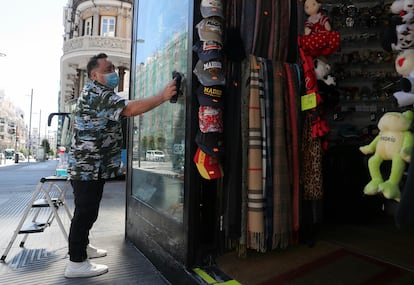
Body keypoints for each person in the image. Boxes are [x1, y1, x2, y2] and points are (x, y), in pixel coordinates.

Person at [64, 53, 177, 278]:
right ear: (95, 75)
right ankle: (76, 263)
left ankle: (83, 248)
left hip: (91, 164)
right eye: (108, 69)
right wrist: (162, 97)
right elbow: (130, 109)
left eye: (113, 68)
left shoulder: (97, 92)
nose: (113, 73)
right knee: (85, 212)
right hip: (88, 165)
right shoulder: (97, 93)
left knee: (88, 210)